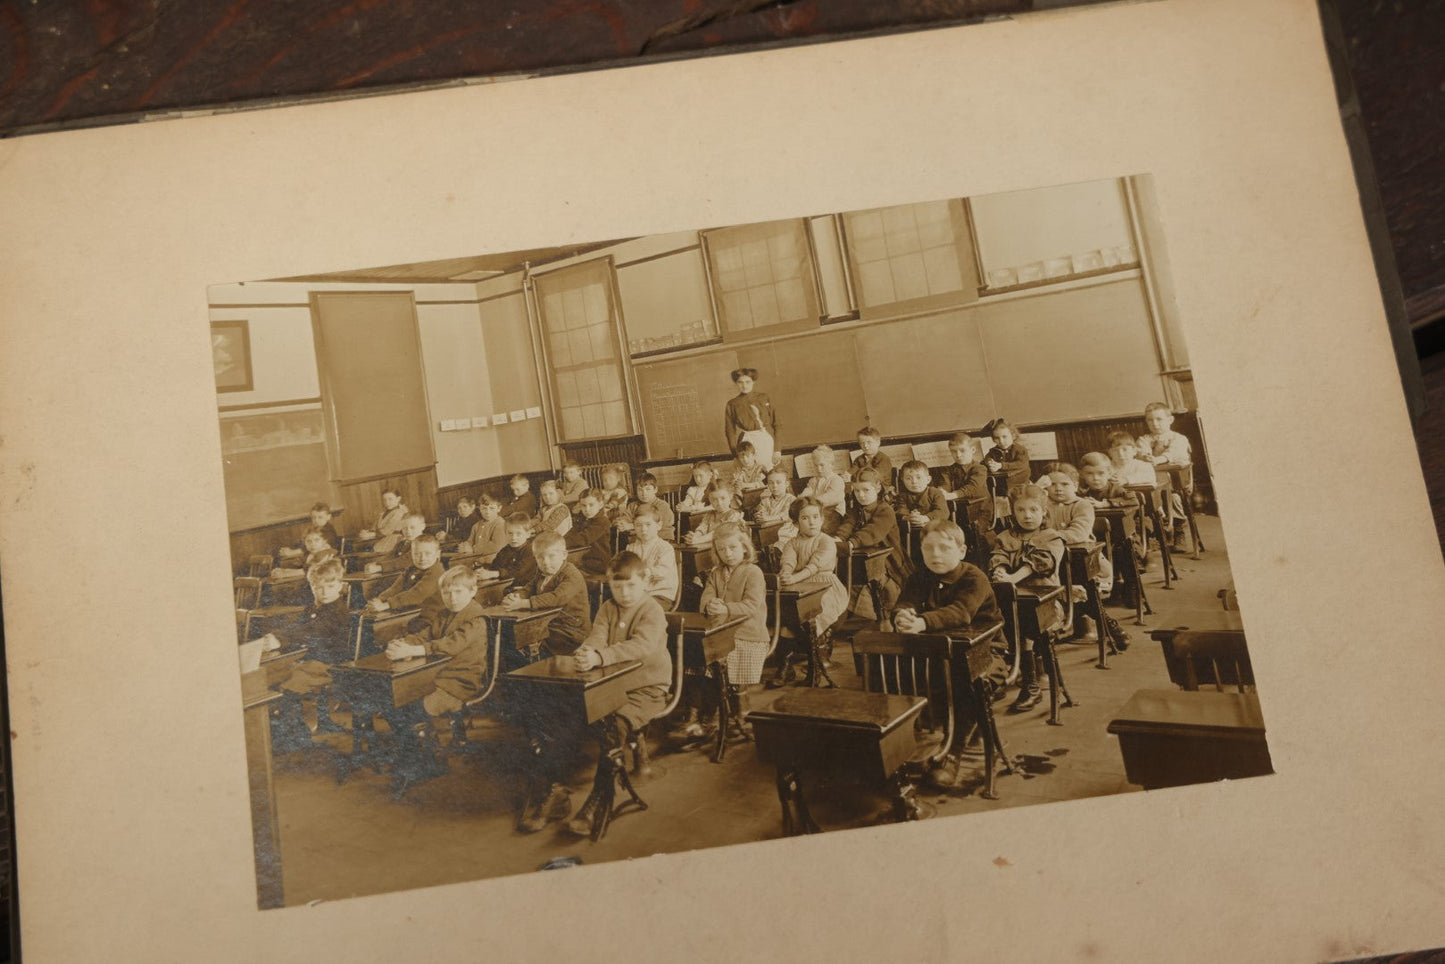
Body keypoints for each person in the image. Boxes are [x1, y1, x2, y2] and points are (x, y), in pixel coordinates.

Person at [520, 551, 670, 836]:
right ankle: (555, 793)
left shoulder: (652, 610)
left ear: (644, 582)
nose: (624, 593)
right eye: (617, 586)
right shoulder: (608, 607)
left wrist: (600, 657)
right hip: (609, 684)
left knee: (614, 728)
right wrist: (587, 650)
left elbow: (642, 647)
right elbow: (598, 634)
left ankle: (598, 800)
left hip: (645, 689)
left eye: (631, 586)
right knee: (555, 718)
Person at [891, 520, 1004, 788]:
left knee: (965, 685)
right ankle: (906, 747)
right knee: (899, 675)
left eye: (944, 547)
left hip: (986, 654)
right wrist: (902, 615)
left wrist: (922, 623)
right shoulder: (919, 576)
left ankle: (953, 753)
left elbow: (961, 612)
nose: (936, 554)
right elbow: (905, 600)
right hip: (938, 652)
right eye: (928, 548)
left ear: (962, 551)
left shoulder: (974, 577)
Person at [379, 565, 492, 792]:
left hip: (461, 681)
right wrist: (404, 643)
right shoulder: (445, 614)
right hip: (437, 675)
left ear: (472, 591)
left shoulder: (477, 618)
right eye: (447, 593)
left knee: (414, 707)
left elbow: (452, 645)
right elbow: (425, 635)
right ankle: (423, 756)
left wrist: (418, 650)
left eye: (458, 591)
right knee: (396, 702)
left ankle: (426, 761)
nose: (452, 598)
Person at [254, 557, 353, 749]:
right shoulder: (313, 607)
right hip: (311, 661)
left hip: (330, 666)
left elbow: (312, 631)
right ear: (311, 586)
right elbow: (297, 626)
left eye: (330, 586)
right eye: (318, 587)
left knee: (289, 684)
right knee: (271, 676)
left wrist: (281, 640)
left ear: (340, 585)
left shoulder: (338, 611)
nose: (324, 592)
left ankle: (297, 736)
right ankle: (290, 731)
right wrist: (276, 636)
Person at [989, 485, 1065, 714]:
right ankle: (1002, 675)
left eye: (1033, 510)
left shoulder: (1051, 537)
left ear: (1044, 512)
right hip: (1013, 603)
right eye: (1021, 510)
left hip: (1045, 603)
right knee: (999, 622)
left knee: (1026, 626)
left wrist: (1012, 577)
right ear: (1013, 512)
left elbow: (1040, 563)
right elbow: (998, 556)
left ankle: (1030, 683)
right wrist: (1000, 571)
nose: (1027, 515)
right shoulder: (1004, 537)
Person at [699, 522, 770, 737]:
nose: (727, 554)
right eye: (722, 550)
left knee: (734, 658)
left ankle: (742, 713)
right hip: (722, 633)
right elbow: (707, 596)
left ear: (744, 548)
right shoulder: (716, 573)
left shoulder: (753, 572)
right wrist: (709, 604)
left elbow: (751, 606)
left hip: (749, 634)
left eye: (732, 548)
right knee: (701, 658)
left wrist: (726, 607)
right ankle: (709, 713)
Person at [768, 499, 848, 687]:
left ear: (822, 520)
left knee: (815, 616)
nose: (812, 522)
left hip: (826, 587)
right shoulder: (792, 543)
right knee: (784, 614)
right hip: (800, 587)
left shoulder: (826, 541)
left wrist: (795, 578)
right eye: (805, 518)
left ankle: (815, 669)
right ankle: (785, 666)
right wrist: (786, 574)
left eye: (815, 517)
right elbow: (787, 562)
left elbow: (814, 566)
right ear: (796, 523)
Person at [501, 530, 592, 656]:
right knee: (512, 636)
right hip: (548, 624)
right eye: (540, 557)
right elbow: (530, 587)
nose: (546, 562)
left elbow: (557, 597)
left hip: (571, 631)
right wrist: (517, 596)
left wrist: (524, 603)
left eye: (551, 556)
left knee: (525, 641)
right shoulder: (542, 572)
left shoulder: (571, 575)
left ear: (564, 555)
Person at [834, 467, 909, 611]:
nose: (861, 495)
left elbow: (871, 532)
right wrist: (838, 538)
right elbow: (847, 525)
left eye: (866, 490)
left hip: (889, 562)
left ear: (878, 488)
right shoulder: (855, 509)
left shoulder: (885, 510)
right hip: (862, 558)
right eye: (856, 491)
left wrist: (852, 542)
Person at [1136, 402, 1193, 546]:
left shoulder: (1178, 438)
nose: (1155, 424)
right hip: (1151, 483)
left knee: (1173, 498)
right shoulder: (1144, 439)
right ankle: (1154, 532)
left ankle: (1178, 529)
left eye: (1159, 419)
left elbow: (1174, 453)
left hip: (1175, 483)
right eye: (1150, 420)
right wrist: (1146, 457)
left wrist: (1158, 459)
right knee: (1141, 499)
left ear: (1170, 420)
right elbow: (1140, 452)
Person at [366, 532, 445, 622]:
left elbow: (416, 594)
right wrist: (380, 599)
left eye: (428, 554)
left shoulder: (437, 572)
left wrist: (386, 605)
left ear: (438, 554)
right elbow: (396, 588)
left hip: (428, 617)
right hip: (411, 611)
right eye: (417, 554)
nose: (422, 558)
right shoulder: (412, 568)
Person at [625, 504, 679, 607]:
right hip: (638, 594)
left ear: (659, 525)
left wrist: (646, 571)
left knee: (638, 609)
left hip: (659, 594)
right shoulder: (631, 548)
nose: (643, 529)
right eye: (638, 525)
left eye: (648, 524)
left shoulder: (665, 548)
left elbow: (662, 572)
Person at [723, 367, 779, 467]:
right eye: (740, 382)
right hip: (746, 441)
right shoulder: (732, 404)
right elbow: (730, 431)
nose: (744, 386)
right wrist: (735, 454)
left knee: (769, 469)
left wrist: (777, 449)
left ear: (753, 381)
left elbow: (777, 424)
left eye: (748, 382)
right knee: (750, 471)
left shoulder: (764, 397)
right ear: (736, 383)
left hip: (766, 440)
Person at [479, 513, 539, 588]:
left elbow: (519, 572)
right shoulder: (505, 550)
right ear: (505, 533)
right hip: (504, 585)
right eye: (510, 533)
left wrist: (494, 574)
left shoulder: (530, 551)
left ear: (528, 534)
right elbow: (495, 566)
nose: (513, 537)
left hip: (522, 588)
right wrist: (484, 572)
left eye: (518, 534)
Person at [565, 489, 614, 577]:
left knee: (566, 572)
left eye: (591, 505)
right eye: (584, 505)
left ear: (600, 504)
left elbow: (583, 538)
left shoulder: (602, 521)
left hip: (598, 563)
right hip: (583, 559)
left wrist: (561, 543)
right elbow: (571, 532)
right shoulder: (582, 518)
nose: (587, 509)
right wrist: (558, 541)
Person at [615, 472, 676, 542]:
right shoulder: (632, 506)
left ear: (655, 490)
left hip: (661, 537)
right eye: (640, 490)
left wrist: (631, 526)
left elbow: (656, 525)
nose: (644, 493)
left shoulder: (662, 505)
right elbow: (625, 518)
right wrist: (622, 523)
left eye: (648, 489)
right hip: (638, 539)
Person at [799, 444, 846, 532]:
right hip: (816, 512)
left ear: (831, 464)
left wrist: (810, 502)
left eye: (822, 465)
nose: (818, 469)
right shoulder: (813, 481)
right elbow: (807, 492)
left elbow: (828, 498)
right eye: (815, 465)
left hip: (834, 513)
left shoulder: (836, 480)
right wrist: (801, 499)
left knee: (818, 526)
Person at [683, 482, 743, 547]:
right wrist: (694, 536)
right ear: (710, 500)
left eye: (723, 498)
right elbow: (702, 529)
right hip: (711, 546)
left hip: (727, 548)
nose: (719, 503)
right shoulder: (709, 515)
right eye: (714, 500)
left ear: (730, 496)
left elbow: (718, 533)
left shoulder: (734, 515)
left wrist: (698, 540)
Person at [895, 459, 949, 528]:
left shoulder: (935, 493)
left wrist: (926, 518)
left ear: (928, 479)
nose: (914, 482)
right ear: (902, 480)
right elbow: (901, 510)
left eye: (918, 477)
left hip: (934, 528)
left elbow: (942, 511)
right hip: (911, 528)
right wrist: (908, 517)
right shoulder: (902, 496)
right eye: (908, 478)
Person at [982, 418, 1031, 493]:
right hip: (1001, 485)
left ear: (1013, 436)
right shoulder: (993, 451)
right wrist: (990, 463)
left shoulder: (1020, 450)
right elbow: (986, 459)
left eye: (1004, 437)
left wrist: (1001, 466)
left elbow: (1022, 464)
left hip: (1019, 484)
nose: (1001, 441)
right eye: (997, 438)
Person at [456, 493, 506, 562]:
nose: (487, 512)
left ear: (499, 508)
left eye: (492, 508)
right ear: (479, 508)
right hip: (476, 559)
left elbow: (496, 546)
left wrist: (473, 549)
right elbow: (470, 542)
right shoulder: (476, 526)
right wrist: (464, 546)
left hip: (493, 561)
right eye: (484, 508)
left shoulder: (500, 524)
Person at [851, 426, 894, 502]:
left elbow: (875, 476)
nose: (865, 446)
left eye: (869, 442)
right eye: (862, 443)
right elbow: (852, 471)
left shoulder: (883, 459)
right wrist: (847, 475)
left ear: (878, 442)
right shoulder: (859, 459)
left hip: (880, 489)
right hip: (863, 488)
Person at [753, 467, 796, 531]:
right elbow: (761, 513)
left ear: (786, 484)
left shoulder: (791, 499)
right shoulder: (765, 501)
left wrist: (769, 518)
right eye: (770, 483)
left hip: (787, 531)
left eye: (778, 482)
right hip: (769, 531)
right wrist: (759, 516)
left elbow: (787, 515)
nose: (774, 486)